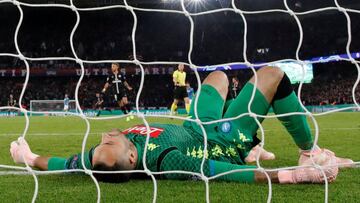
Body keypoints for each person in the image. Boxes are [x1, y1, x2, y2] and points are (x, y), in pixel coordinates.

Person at [10, 67, 354, 184]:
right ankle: (309, 152)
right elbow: (218, 172)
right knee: (273, 75)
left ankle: (254, 147)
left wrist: (29, 156)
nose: (105, 135)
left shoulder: (100, 159)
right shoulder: (166, 159)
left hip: (196, 122)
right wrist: (290, 175)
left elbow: (60, 164)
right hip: (222, 141)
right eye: (111, 142)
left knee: (218, 78)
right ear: (133, 159)